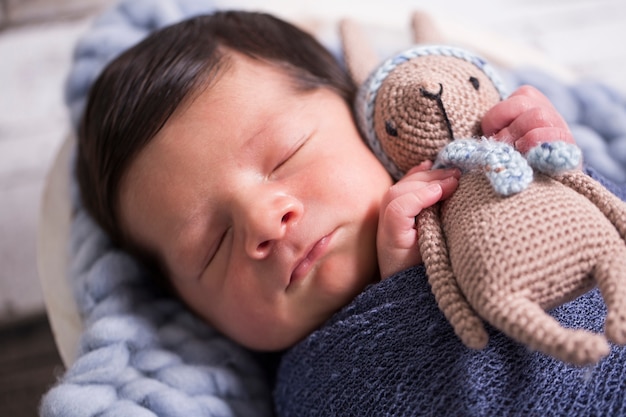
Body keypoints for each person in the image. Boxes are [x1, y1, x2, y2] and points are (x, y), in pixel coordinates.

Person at [77, 10, 623, 416]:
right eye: (212, 244)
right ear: (194, 311)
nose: (267, 222)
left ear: (360, 116)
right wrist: (411, 299)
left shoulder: (474, 172)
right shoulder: (308, 384)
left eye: (285, 157)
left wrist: (554, 173)